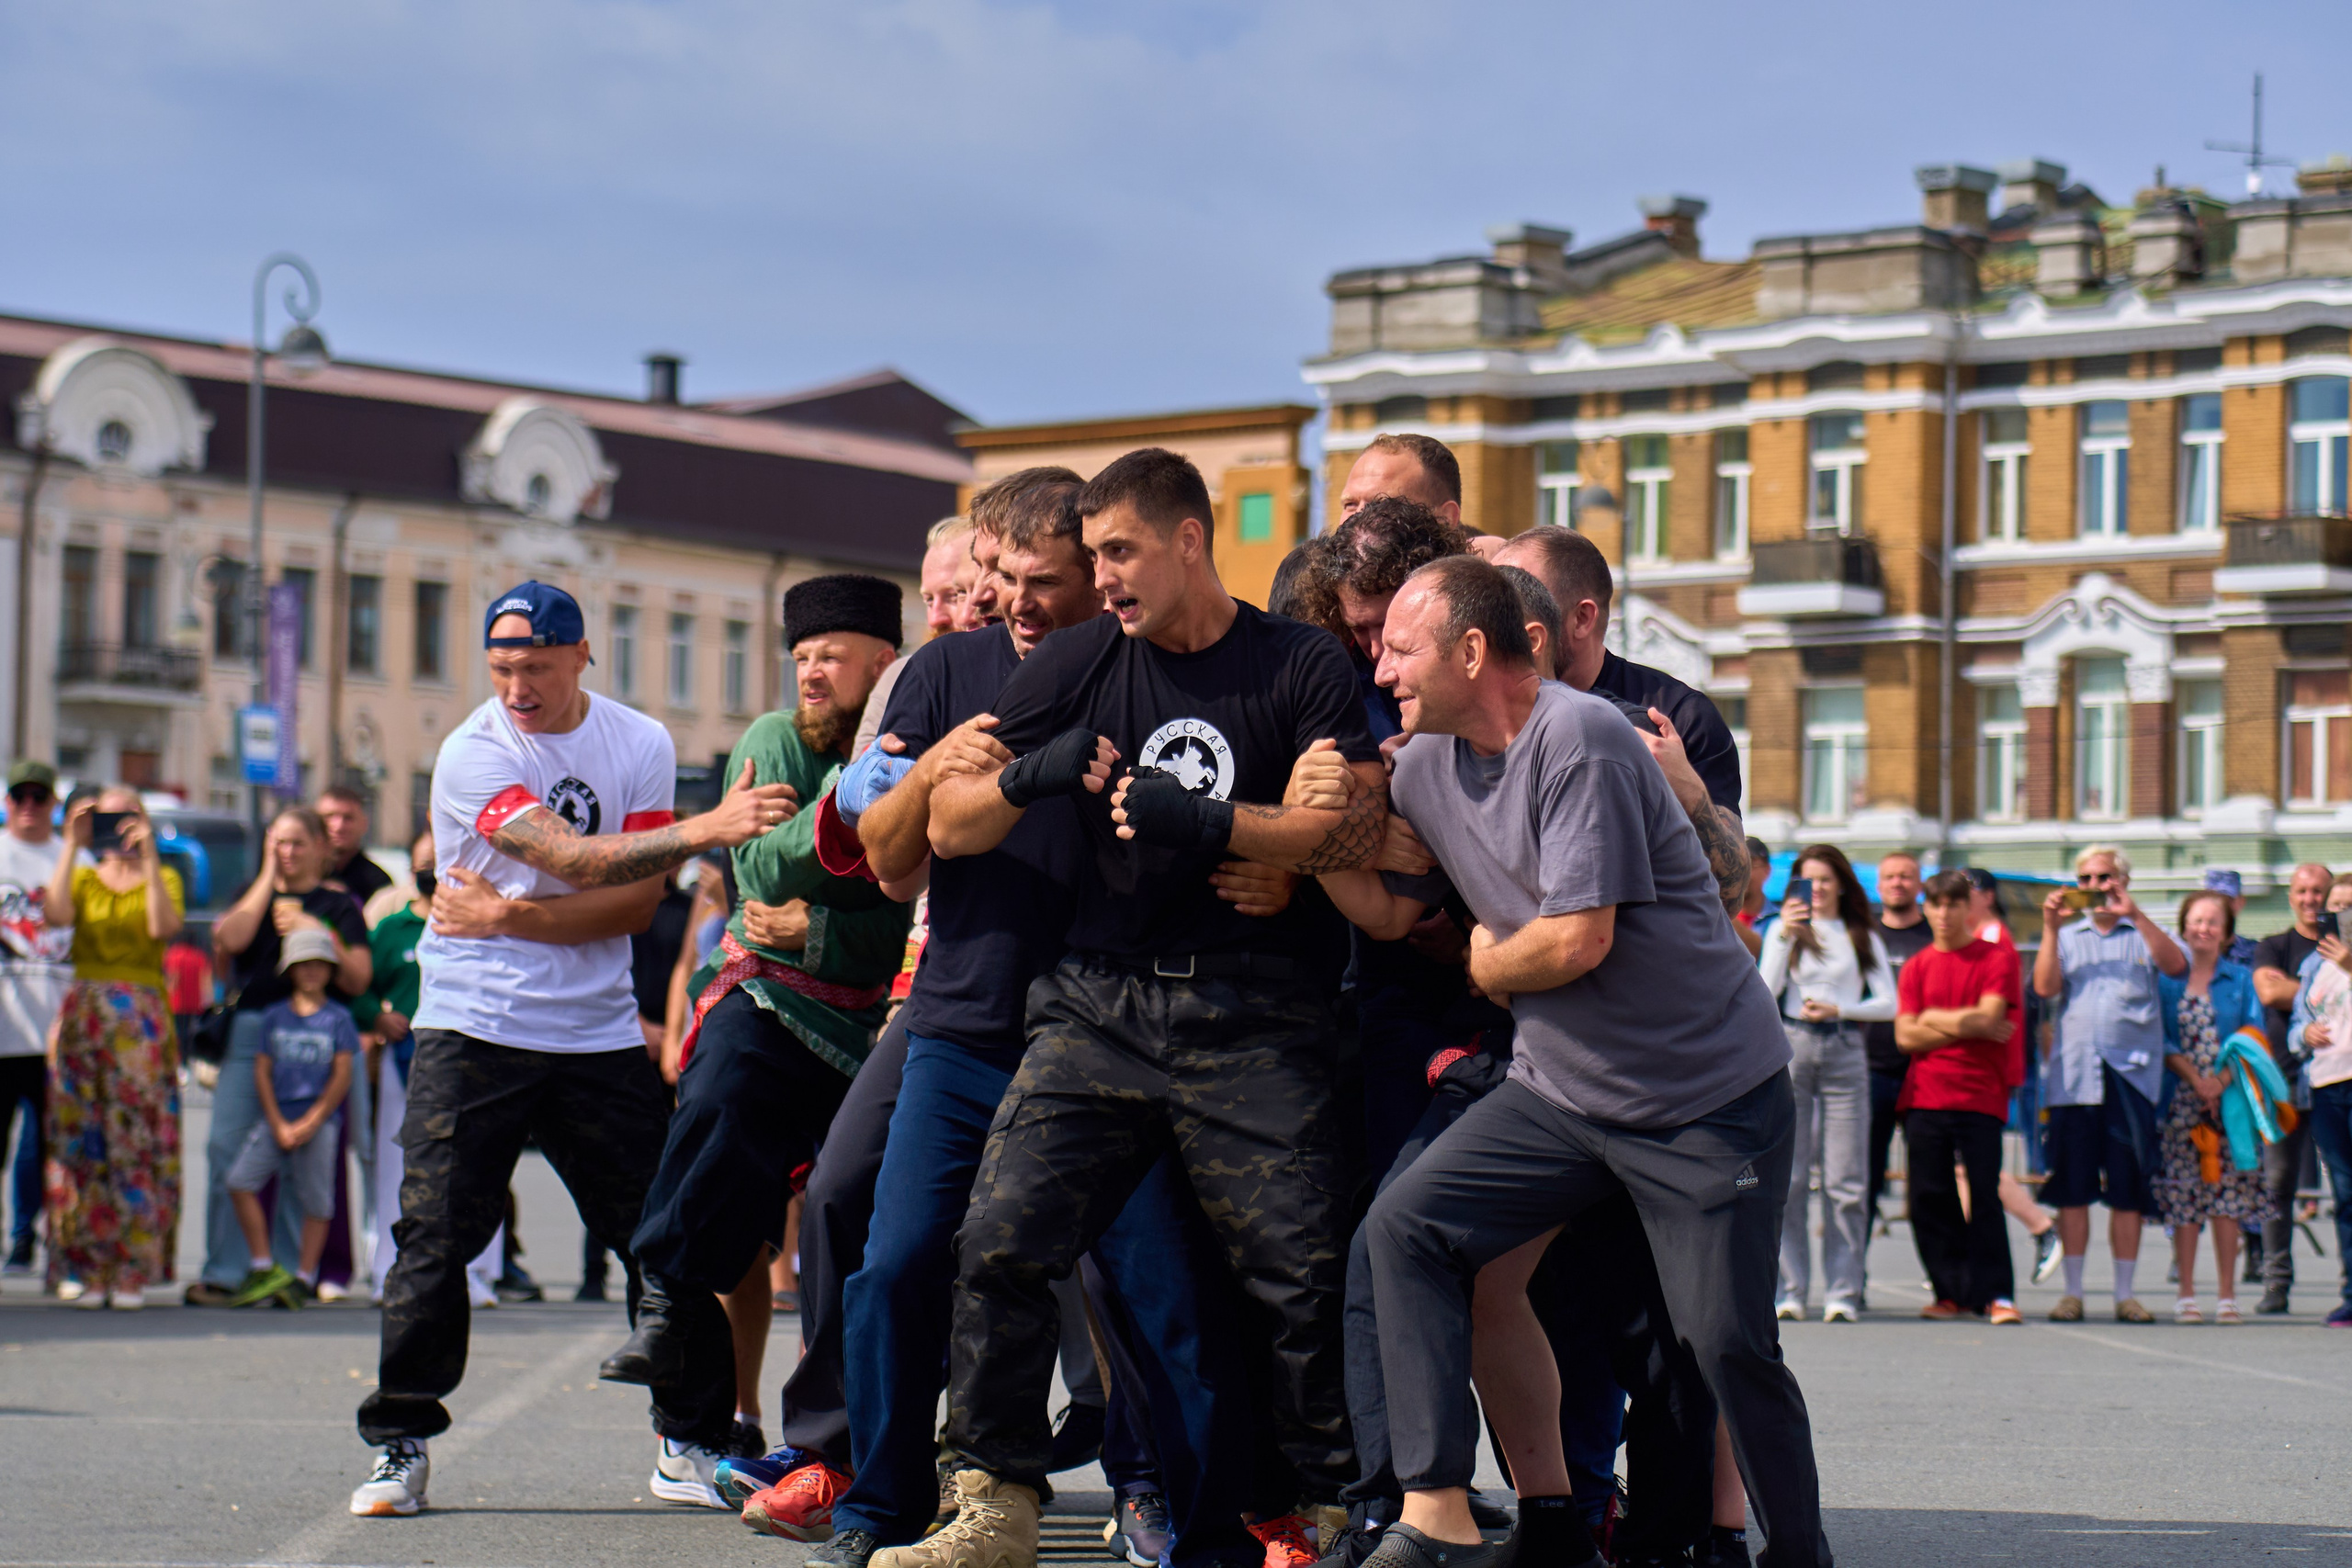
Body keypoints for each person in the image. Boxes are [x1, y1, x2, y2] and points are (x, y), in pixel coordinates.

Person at [887, 447, 1385, 1568]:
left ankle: (1324, 1513)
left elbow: (1347, 829)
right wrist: (1027, 775)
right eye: (1094, 556)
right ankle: (995, 1504)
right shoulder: (1077, 658)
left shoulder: (1293, 661)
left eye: (1118, 551)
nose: (1103, 577)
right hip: (1095, 1010)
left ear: (1189, 541)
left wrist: (1215, 823)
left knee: (1297, 1276)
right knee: (1002, 1241)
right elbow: (946, 828)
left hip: (1252, 1013)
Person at [1319, 556, 1826, 1568]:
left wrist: (1484, 959)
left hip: (1705, 1098)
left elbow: (1575, 940)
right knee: (1406, 1230)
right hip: (1561, 1096)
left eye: (1401, 648)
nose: (1380, 672)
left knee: (1724, 1341)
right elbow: (1378, 887)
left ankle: (1797, 1552)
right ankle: (1435, 1514)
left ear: (1474, 650)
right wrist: (1308, 829)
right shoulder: (1423, 763)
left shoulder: (1582, 738)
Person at [347, 579, 797, 1519]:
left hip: (593, 1033)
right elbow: (579, 860)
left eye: (537, 669)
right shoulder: (474, 751)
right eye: (503, 669)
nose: (518, 688)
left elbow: (632, 906)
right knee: (435, 1236)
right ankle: (403, 1442)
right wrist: (700, 832)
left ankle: (692, 1440)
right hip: (471, 1024)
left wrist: (505, 912)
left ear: (581, 655)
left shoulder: (636, 740)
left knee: (664, 1237)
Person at [602, 572, 915, 1505]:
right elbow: (757, 870)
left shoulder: (911, 734)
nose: (813, 673)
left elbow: (896, 913)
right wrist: (852, 822)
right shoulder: (774, 736)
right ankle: (688, 1376)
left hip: (874, 1020)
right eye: (803, 657)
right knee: (715, 1123)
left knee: (862, 1224)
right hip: (768, 998)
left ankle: (889, 1440)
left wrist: (825, 912)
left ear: (880, 664)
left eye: (831, 656)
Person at [191, 807, 373, 1303]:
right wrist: (268, 879)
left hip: (313, 1034)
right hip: (253, 1031)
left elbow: (358, 977)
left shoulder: (336, 906)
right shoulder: (255, 893)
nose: (287, 853)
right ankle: (227, 1271)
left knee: (302, 1159)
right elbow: (229, 939)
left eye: (296, 844)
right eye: (278, 843)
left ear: (319, 847)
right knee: (226, 1147)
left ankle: (291, 1274)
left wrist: (314, 926)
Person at [39, 786, 184, 1308]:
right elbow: (54, 917)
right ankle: (84, 1265)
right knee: (80, 1140)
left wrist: (147, 855)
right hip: (84, 1014)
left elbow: (161, 927)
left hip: (139, 1019)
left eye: (129, 816)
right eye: (108, 818)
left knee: (137, 1140)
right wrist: (69, 845)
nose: (118, 826)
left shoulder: (162, 877)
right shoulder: (80, 875)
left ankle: (131, 1269)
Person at [2032, 844, 2187, 1325]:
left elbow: (2177, 966)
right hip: (2075, 1078)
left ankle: (2125, 1292)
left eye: (2105, 878)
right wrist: (2050, 929)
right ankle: (2073, 1291)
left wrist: (2134, 913)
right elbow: (2044, 987)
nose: (2096, 888)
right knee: (2073, 1188)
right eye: (2087, 879)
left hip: (2130, 1074)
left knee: (2127, 1188)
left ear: (2123, 880)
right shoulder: (2068, 933)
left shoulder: (2141, 930)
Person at [1757, 844, 1894, 1324]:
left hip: (1844, 1046)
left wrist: (1842, 1009)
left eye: (1825, 880)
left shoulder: (1859, 934)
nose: (1815, 889)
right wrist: (1785, 937)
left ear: (1841, 884)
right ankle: (1790, 1289)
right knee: (1790, 1178)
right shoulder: (1782, 930)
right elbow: (1764, 990)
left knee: (1846, 1180)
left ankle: (1844, 1290)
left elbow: (1889, 1004)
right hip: (1792, 1043)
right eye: (1806, 880)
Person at [1894, 870, 2026, 1325]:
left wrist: (1931, 1018)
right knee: (1930, 1197)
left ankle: (1996, 1294)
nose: (1945, 913)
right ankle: (1949, 1291)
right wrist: (1961, 1023)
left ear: (1968, 907)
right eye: (1937, 903)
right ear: (1926, 907)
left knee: (1984, 1196)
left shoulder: (1996, 958)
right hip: (1926, 1095)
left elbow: (1990, 1018)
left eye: (1954, 904)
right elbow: (1905, 1037)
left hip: (1980, 1094)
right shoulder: (1916, 966)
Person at [224, 928, 361, 1306]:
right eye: (304, 966)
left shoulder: (338, 1019)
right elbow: (262, 1071)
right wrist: (278, 1122)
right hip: (277, 1118)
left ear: (330, 970)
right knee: (240, 1180)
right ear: (290, 971)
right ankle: (263, 1262)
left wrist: (313, 1121)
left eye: (319, 965)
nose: (312, 972)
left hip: (318, 1120)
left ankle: (303, 1274)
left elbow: (342, 1074)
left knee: (317, 1200)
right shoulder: (274, 1017)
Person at [2152, 889, 2270, 1324]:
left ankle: (2226, 1293)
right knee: (2185, 1197)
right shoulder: (2168, 979)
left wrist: (2220, 1082)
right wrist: (2195, 1080)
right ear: (2183, 927)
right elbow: (2161, 1037)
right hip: (2181, 1101)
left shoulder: (2240, 979)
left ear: (2226, 933)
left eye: (2212, 922)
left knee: (2228, 1199)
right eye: (2196, 921)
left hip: (2230, 1101)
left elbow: (2253, 1035)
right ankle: (2185, 1292)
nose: (2203, 929)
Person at [2248, 862, 2331, 1314]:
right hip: (2284, 1079)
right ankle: (2276, 1282)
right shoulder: (2274, 945)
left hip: (2338, 1076)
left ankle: (2348, 1285)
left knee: (2345, 1185)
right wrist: (2330, 987)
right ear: (2291, 896)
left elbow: (2284, 993)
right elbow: (2267, 992)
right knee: (2277, 1183)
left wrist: (2293, 989)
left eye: (2319, 892)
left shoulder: (2345, 946)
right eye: (2302, 891)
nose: (2310, 899)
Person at [0, 759, 68, 1276]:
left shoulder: (71, 857)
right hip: (5, 1023)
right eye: (19, 796)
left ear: (52, 804)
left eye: (37, 797)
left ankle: (28, 1236)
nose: (28, 806)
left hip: (54, 1026)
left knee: (42, 1146)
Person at [2284, 872, 2352, 1326]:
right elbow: (2296, 1025)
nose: (2341, 916)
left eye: (2350, 907)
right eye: (2336, 907)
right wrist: (2302, 1035)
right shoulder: (2314, 964)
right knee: (2345, 1193)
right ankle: (2351, 1290)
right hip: (2328, 1084)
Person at [1864, 852, 1933, 1239]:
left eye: (1906, 877)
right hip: (1871, 1065)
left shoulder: (1933, 936)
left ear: (1919, 884)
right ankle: (1853, 1282)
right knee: (1866, 1173)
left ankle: (1945, 1286)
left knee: (1928, 1177)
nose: (1898, 883)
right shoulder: (1866, 936)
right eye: (1890, 877)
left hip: (1922, 1067)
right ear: (1879, 885)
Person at [319, 784, 395, 908]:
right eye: (329, 816)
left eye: (348, 818)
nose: (338, 826)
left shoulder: (379, 883)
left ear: (364, 824)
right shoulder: (300, 874)